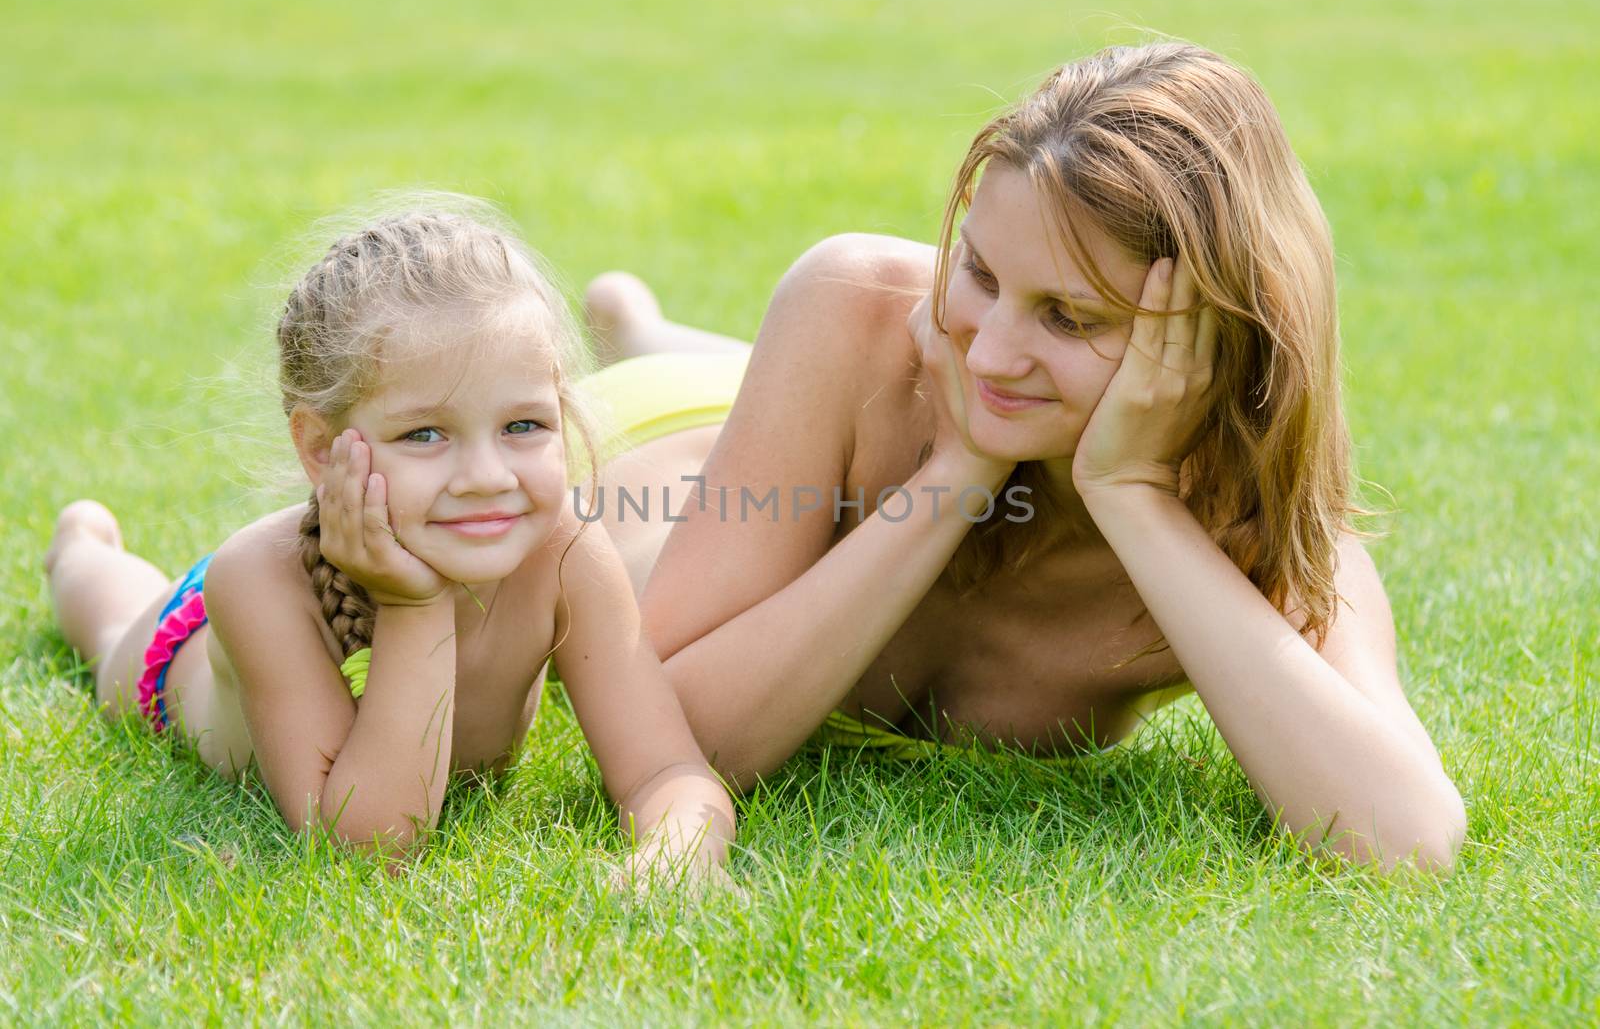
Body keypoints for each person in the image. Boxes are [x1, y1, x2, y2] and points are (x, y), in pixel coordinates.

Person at [581, 42, 1465, 871]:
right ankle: (641, 338)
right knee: (700, 391)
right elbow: (662, 744)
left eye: (1069, 317)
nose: (991, 353)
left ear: (1219, 336)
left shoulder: (1248, 530)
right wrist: (959, 468)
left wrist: (1130, 492)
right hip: (656, 444)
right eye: (980, 273)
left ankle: (652, 328)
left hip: (882, 420)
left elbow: (1406, 840)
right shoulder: (855, 307)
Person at [44, 204, 735, 875]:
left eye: (523, 425)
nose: (487, 477)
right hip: (182, 649)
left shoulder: (564, 549)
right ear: (320, 449)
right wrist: (413, 605)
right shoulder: (256, 579)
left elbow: (667, 770)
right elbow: (372, 841)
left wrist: (676, 858)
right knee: (106, 621)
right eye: (425, 435)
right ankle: (81, 545)